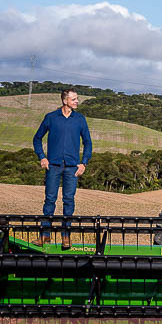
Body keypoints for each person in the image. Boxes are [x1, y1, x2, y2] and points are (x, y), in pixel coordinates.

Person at [32, 88, 92, 249]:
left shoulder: (80, 119)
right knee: (50, 200)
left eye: (77, 99)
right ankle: (45, 236)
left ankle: (66, 237)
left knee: (68, 201)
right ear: (65, 101)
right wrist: (42, 157)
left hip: (72, 168)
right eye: (74, 99)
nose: (77, 101)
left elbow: (88, 142)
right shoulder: (51, 118)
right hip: (53, 166)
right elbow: (37, 138)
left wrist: (84, 162)